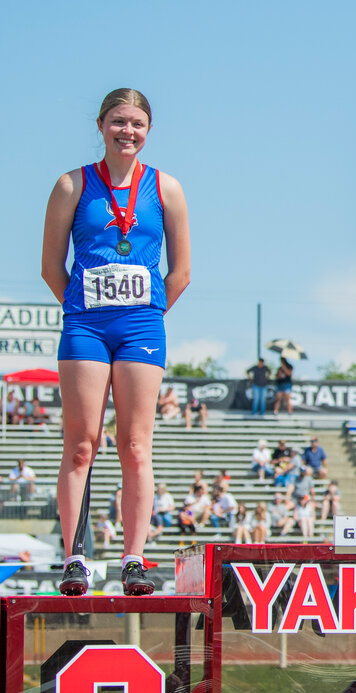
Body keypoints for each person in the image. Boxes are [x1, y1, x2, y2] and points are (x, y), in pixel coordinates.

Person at [42, 89, 190, 597]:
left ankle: (133, 558)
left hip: (142, 327)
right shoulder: (71, 185)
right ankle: (75, 558)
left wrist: (146, 312)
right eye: (118, 122)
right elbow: (50, 266)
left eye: (138, 124)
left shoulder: (165, 187)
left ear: (149, 130)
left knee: (135, 446)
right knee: (82, 444)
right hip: (84, 324)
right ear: (101, 124)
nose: (128, 131)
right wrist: (84, 307)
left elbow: (182, 271)